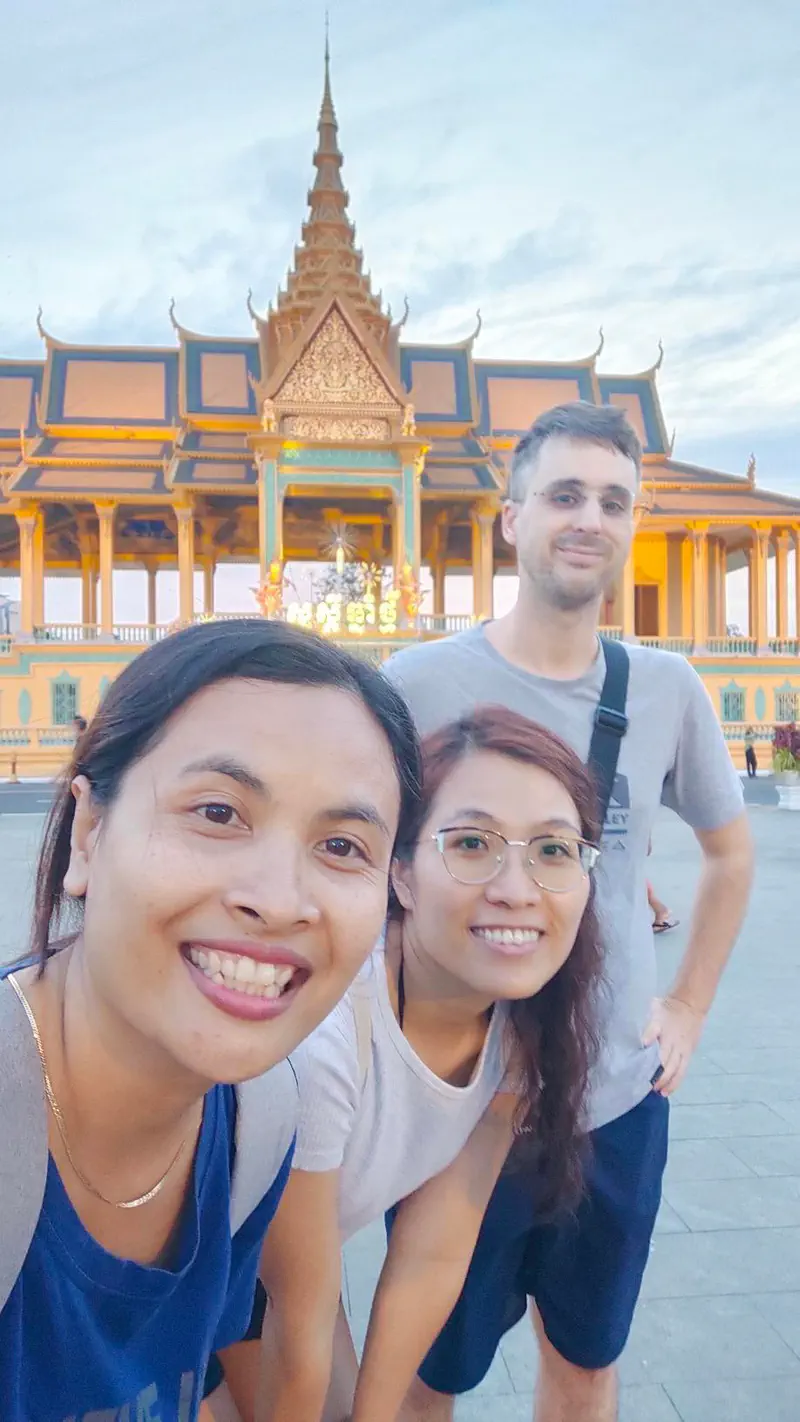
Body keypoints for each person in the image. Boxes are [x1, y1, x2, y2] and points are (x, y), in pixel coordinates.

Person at [382, 402, 755, 1422]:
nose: (586, 518)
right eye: (561, 495)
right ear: (511, 519)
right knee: (430, 1369)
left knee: (585, 1362)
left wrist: (685, 1008)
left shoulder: (666, 689)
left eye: (611, 501)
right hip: (460, 1104)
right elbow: (365, 863)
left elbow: (728, 853)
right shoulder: (415, 685)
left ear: (631, 524)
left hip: (614, 1100)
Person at [0, 617, 421, 1422]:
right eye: (218, 814)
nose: (278, 898)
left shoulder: (256, 1123)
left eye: (341, 846)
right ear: (88, 832)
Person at [205, 709, 605, 1422]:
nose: (518, 888)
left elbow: (434, 1251)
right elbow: (290, 1308)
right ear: (403, 873)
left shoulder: (516, 1033)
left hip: (271, 1282)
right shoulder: (328, 1036)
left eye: (554, 850)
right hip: (183, 1275)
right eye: (473, 843)